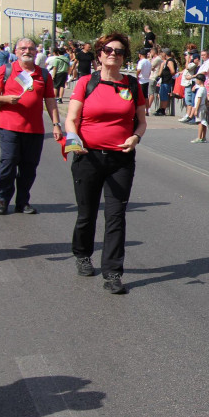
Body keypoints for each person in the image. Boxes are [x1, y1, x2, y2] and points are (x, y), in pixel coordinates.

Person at [64, 33, 146, 294]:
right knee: (86, 213)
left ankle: (112, 272)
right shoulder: (87, 82)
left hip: (121, 159)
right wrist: (74, 139)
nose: (114, 54)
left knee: (116, 215)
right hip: (88, 157)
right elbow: (71, 118)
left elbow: (141, 121)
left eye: (119, 51)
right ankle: (82, 254)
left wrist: (136, 137)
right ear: (99, 54)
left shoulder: (132, 85)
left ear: (124, 57)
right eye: (108, 50)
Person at [0, 38, 62, 215]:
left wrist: (56, 124)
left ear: (36, 52)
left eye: (30, 48)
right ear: (16, 50)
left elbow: (50, 101)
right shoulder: (6, 70)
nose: (27, 51)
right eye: (23, 48)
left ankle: (22, 201)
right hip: (9, 127)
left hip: (35, 130)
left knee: (29, 168)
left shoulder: (43, 74)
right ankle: (3, 199)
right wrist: (6, 99)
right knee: (8, 164)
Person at [190, 74, 209, 144]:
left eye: (197, 80)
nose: (196, 81)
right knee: (203, 122)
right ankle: (203, 137)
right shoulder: (204, 89)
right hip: (203, 107)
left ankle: (199, 137)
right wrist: (207, 105)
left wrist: (196, 109)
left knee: (200, 122)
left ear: (200, 81)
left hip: (200, 107)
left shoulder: (201, 89)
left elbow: (199, 100)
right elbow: (206, 99)